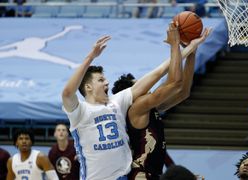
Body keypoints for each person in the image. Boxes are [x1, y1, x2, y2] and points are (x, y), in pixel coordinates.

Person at [61, 21, 209, 179]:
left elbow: (161, 73)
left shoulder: (117, 102)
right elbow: (68, 92)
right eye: (101, 79)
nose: (106, 82)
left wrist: (189, 49)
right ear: (88, 87)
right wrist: (91, 56)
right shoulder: (81, 111)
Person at [112, 24, 211, 179]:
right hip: (140, 175)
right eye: (140, 85)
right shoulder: (136, 108)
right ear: (131, 94)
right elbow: (174, 83)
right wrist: (175, 44)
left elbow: (183, 91)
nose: (147, 86)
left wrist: (193, 50)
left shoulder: (150, 107)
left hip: (153, 174)